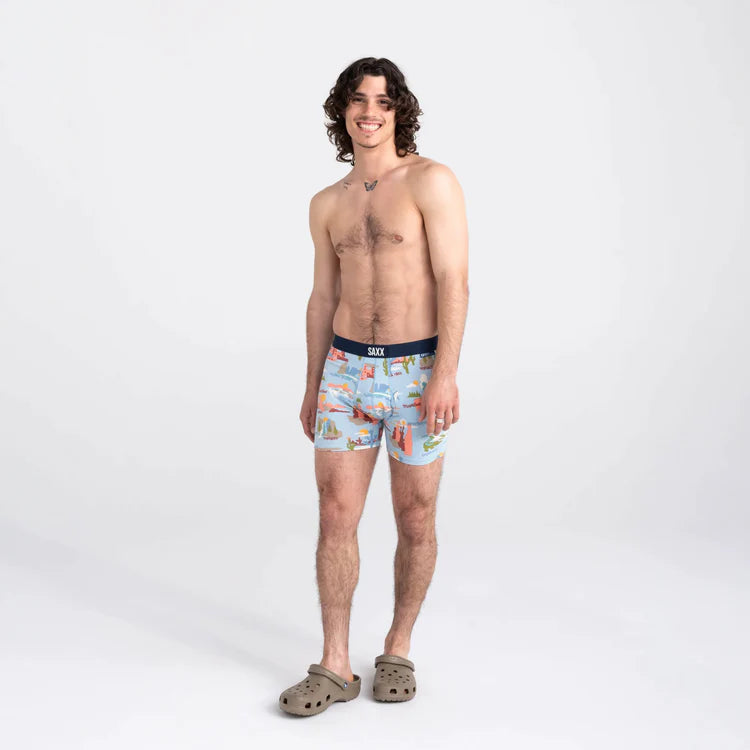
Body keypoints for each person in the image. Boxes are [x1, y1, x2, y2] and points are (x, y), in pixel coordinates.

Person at [279, 57, 469, 716]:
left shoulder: (430, 181)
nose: (370, 112)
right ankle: (334, 664)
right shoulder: (326, 204)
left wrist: (445, 373)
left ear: (398, 111)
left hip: (417, 371)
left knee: (416, 515)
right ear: (343, 110)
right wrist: (313, 384)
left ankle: (398, 647)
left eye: (383, 102)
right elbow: (321, 297)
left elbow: (454, 280)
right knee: (336, 514)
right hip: (345, 372)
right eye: (358, 100)